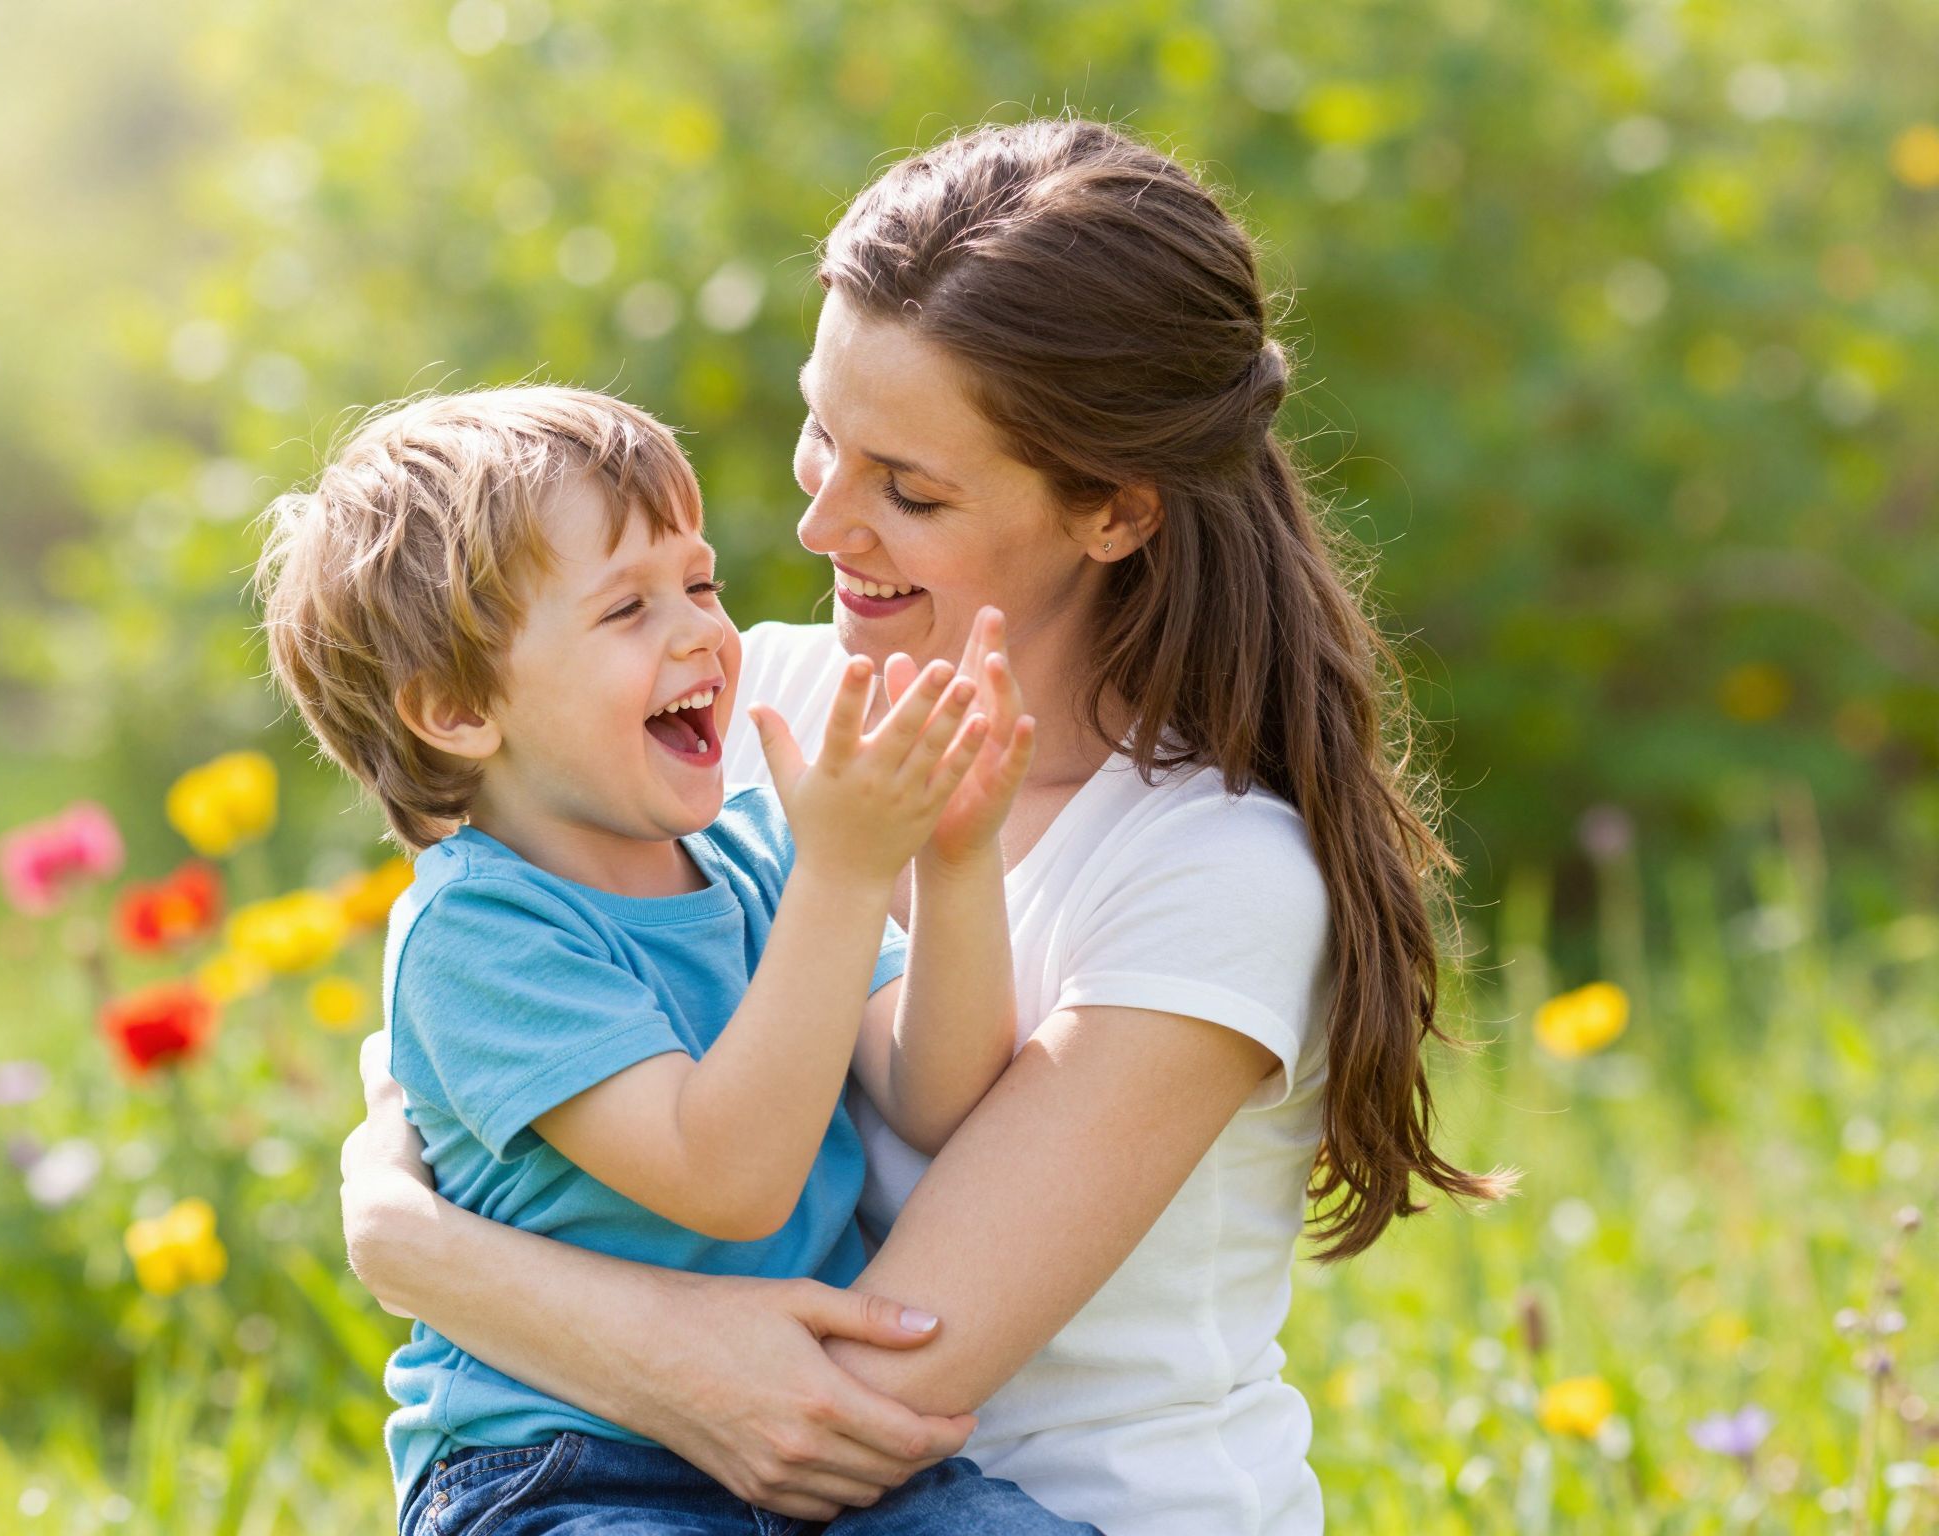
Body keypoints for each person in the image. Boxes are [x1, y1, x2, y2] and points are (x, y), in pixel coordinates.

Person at [339, 117, 1513, 1534]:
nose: (822, 525)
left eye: (907, 487)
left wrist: (414, 1249)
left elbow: (842, 1411)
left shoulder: (1214, 870)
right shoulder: (735, 714)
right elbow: (455, 1064)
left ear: (1113, 513)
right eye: (821, 434)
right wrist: (407, 1224)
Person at [255, 385, 1095, 1534]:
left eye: (699, 586)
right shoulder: (476, 935)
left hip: (815, 1458)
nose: (701, 631)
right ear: (455, 709)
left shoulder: (755, 852)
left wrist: (954, 862)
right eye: (626, 609)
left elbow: (935, 1096)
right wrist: (843, 877)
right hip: (563, 1468)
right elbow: (727, 1180)